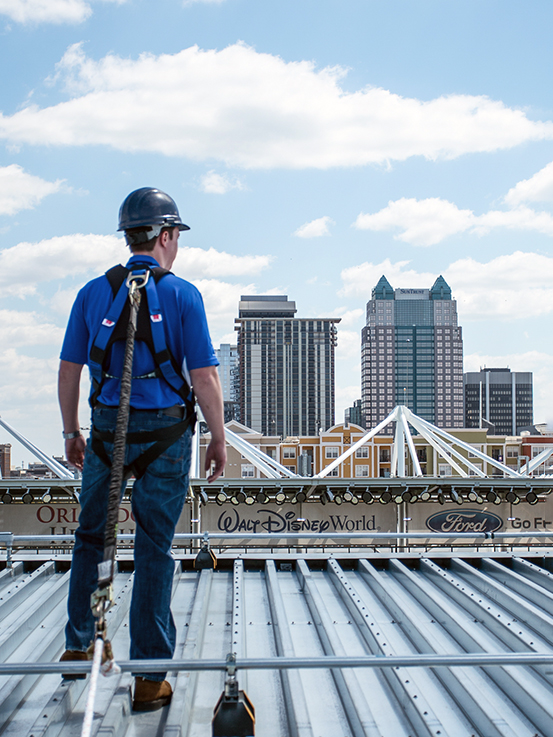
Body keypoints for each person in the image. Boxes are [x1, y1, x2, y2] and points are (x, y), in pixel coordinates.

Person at [58, 187, 226, 711]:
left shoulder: (91, 294)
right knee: (154, 546)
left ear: (129, 236)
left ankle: (79, 645)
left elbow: (68, 371)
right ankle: (151, 677)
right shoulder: (182, 295)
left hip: (108, 433)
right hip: (167, 438)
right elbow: (203, 375)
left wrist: (71, 432)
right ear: (168, 236)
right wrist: (218, 437)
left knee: (91, 536)